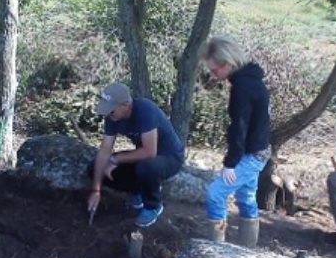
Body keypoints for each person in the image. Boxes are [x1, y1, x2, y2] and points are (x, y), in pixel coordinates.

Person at [199, 36, 271, 239]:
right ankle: (248, 248)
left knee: (215, 194)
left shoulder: (242, 87)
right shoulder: (252, 81)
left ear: (228, 63)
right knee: (246, 197)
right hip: (260, 149)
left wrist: (230, 163)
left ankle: (217, 249)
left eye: (215, 70)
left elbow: (239, 127)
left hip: (251, 155)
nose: (213, 75)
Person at [86, 82, 185, 228]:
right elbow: (105, 150)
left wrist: (116, 159)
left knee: (146, 167)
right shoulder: (113, 117)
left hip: (170, 157)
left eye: (111, 111)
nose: (108, 114)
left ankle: (153, 206)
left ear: (125, 105)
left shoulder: (145, 110)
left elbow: (150, 152)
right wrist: (96, 190)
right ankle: (136, 192)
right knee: (94, 168)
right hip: (143, 157)